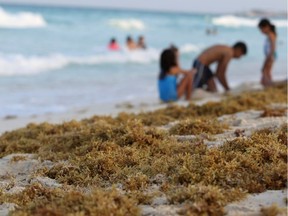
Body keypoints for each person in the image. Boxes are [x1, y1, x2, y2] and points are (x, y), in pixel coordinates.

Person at [258, 18, 277, 87]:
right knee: (267, 71)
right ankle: (268, 83)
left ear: (267, 27)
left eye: (262, 29)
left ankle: (268, 84)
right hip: (270, 55)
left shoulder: (271, 35)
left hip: (270, 55)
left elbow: (273, 47)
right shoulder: (269, 35)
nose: (261, 31)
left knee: (265, 71)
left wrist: (269, 56)